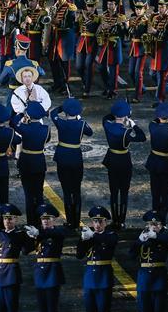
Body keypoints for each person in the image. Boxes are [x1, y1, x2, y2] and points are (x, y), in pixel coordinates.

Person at [77, 206, 119, 312]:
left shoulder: (110, 234)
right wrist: (83, 240)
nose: (97, 224)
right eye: (95, 221)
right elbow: (79, 255)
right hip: (90, 278)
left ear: (106, 222)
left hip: (103, 278)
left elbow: (109, 242)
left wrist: (92, 237)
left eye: (100, 221)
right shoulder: (90, 235)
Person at [29, 203, 67, 312]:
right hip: (40, 274)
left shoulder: (57, 231)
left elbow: (58, 234)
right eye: (43, 219)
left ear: (53, 220)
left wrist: (39, 234)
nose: (45, 221)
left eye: (48, 218)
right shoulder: (39, 234)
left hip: (52, 274)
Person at [101, 100, 147, 229]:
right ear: (126, 116)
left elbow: (106, 117)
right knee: (124, 193)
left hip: (112, 159)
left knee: (114, 192)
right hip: (124, 161)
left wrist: (117, 115)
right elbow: (142, 137)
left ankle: (115, 220)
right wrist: (133, 125)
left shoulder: (107, 126)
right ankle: (121, 221)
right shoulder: (126, 132)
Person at [49, 98, 93, 229]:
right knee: (76, 190)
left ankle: (69, 221)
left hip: (63, 157)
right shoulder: (82, 124)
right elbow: (90, 132)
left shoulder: (60, 122)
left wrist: (63, 106)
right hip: (75, 158)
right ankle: (76, 221)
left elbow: (53, 113)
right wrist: (79, 118)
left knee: (66, 190)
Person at [12, 101, 51, 227]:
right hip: (39, 162)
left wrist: (22, 114)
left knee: (29, 194)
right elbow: (47, 139)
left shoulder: (25, 127)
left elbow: (12, 122)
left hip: (26, 162)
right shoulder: (46, 129)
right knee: (39, 194)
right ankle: (41, 222)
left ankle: (31, 222)